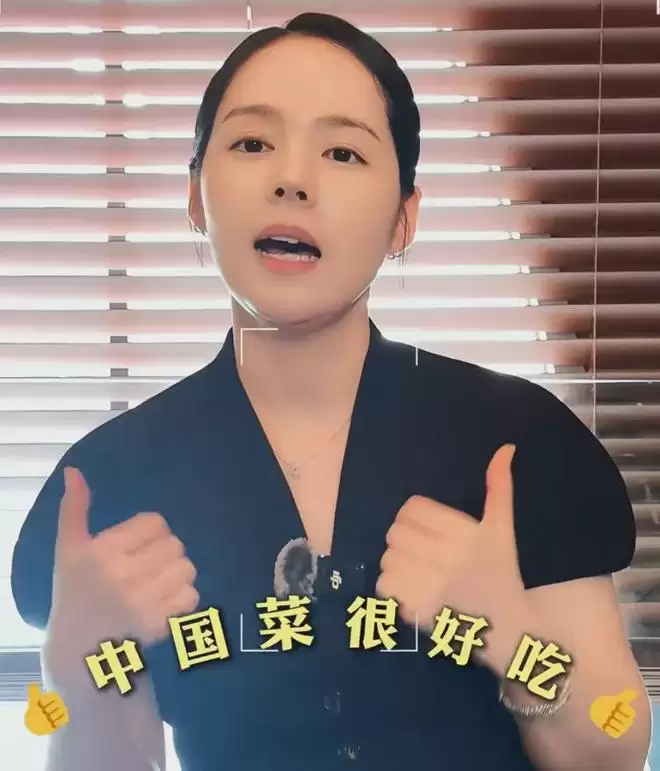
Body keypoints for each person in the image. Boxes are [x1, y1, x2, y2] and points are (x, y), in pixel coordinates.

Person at [10, 12, 651, 771]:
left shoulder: (516, 444)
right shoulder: (113, 482)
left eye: (343, 152)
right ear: (196, 196)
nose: (292, 179)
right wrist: (76, 674)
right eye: (252, 143)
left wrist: (510, 636)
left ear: (403, 219)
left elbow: (614, 741)